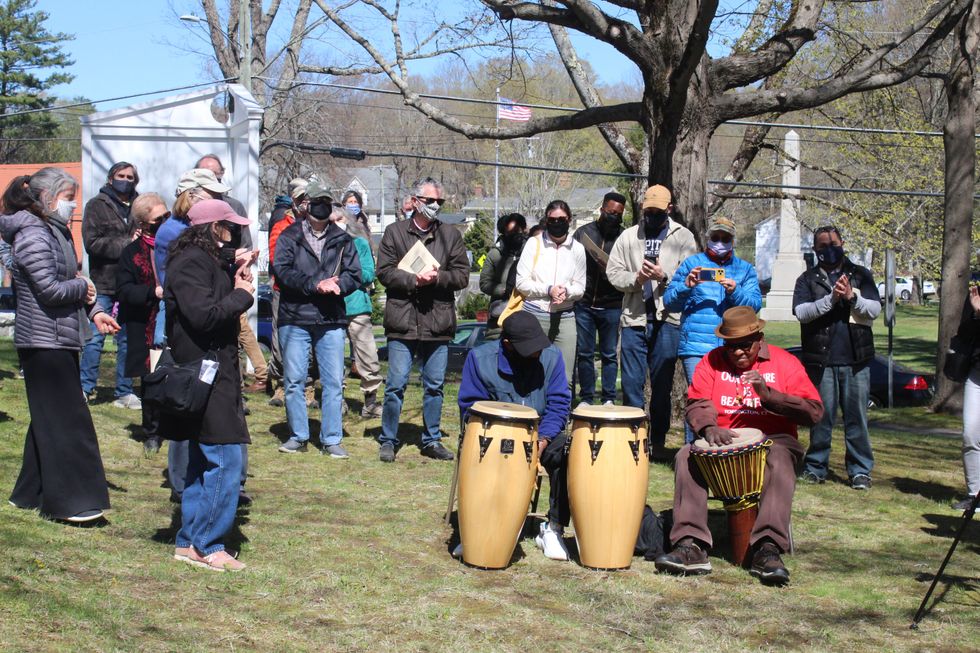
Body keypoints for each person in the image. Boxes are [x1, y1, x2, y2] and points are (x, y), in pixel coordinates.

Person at [654, 307, 823, 585]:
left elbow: (814, 412)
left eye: (744, 345)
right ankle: (690, 545)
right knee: (686, 454)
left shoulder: (784, 362)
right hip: (722, 440)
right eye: (730, 346)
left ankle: (768, 549)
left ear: (760, 338)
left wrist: (768, 395)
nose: (737, 352)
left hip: (774, 439)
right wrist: (708, 427)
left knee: (779, 457)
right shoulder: (711, 361)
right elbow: (697, 402)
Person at [1, 167, 120, 523]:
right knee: (68, 421)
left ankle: (28, 494)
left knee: (48, 419)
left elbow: (73, 280)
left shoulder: (54, 231)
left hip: (61, 337)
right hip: (42, 341)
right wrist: (83, 289)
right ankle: (72, 502)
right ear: (47, 198)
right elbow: (51, 289)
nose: (73, 205)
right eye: (69, 198)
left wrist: (94, 309)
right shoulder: (33, 234)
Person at [162, 199, 254, 572]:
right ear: (213, 227)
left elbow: (213, 300)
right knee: (224, 459)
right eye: (229, 226)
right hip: (204, 373)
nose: (234, 232)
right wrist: (241, 296)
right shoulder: (189, 262)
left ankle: (188, 541)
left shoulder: (207, 261)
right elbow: (203, 316)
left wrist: (237, 270)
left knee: (203, 460)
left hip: (217, 372)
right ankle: (207, 544)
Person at [457, 311, 573, 560]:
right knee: (481, 449)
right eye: (530, 348)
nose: (538, 352)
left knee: (568, 452)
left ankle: (553, 528)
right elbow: (470, 407)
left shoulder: (552, 358)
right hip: (494, 433)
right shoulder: (479, 359)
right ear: (508, 345)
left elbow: (559, 404)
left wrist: (542, 439)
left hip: (542, 434)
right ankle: (474, 530)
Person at [375, 176, 470, 462]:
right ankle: (388, 439)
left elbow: (462, 275)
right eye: (430, 201)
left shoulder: (450, 235)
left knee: (435, 386)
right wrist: (414, 280)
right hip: (403, 321)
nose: (435, 206)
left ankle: (431, 439)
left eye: (439, 202)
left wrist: (437, 278)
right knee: (395, 385)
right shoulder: (394, 233)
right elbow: (384, 272)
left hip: (437, 321)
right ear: (416, 201)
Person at [606, 185, 697, 458]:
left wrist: (663, 275)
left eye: (658, 212)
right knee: (632, 385)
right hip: (633, 318)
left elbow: (691, 275)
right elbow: (614, 273)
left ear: (669, 209)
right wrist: (637, 279)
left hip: (667, 320)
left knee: (662, 386)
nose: (652, 216)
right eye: (648, 211)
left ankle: (657, 441)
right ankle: (633, 439)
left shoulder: (683, 237)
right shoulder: (629, 236)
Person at [274, 185, 361, 457]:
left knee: (334, 381)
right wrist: (315, 285)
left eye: (326, 201)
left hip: (330, 319)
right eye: (316, 201)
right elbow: (282, 272)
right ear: (305, 205)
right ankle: (298, 436)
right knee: (295, 380)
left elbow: (354, 274)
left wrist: (339, 285)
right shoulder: (289, 236)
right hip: (295, 317)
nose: (321, 206)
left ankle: (332, 438)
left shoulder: (342, 239)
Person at [792, 226, 880, 490]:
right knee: (822, 418)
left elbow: (875, 309)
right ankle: (816, 466)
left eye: (833, 243)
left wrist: (852, 297)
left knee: (857, 419)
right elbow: (801, 311)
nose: (828, 249)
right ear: (815, 249)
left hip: (856, 360)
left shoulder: (860, 275)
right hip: (821, 360)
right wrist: (831, 299)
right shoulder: (807, 279)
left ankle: (860, 470)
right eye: (822, 246)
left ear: (842, 243)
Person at [664, 216, 762, 442]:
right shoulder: (692, 264)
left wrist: (734, 291)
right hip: (697, 346)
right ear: (708, 239)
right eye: (715, 237)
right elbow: (670, 301)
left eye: (725, 238)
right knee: (698, 398)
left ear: (732, 240)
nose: (719, 242)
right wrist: (686, 287)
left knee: (726, 397)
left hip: (733, 346)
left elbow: (754, 305)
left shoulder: (745, 270)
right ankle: (693, 448)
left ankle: (723, 446)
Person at [194, 154, 266, 394]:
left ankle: (249, 380)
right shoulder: (189, 212)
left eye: (216, 173)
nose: (212, 178)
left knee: (239, 332)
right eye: (206, 173)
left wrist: (242, 266)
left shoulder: (234, 205)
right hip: (206, 287)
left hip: (231, 282)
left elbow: (243, 245)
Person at [80, 161, 141, 409]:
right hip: (103, 281)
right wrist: (127, 243)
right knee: (95, 338)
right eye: (121, 175)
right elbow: (92, 243)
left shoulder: (140, 206)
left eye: (130, 177)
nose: (125, 180)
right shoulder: (96, 205)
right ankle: (84, 387)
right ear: (110, 178)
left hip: (130, 282)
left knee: (127, 339)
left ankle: (124, 391)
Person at [116, 193, 170, 454]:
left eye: (166, 216)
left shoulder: (177, 245)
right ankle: (152, 431)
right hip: (145, 324)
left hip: (176, 319)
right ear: (143, 223)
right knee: (152, 380)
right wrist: (153, 292)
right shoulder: (132, 253)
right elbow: (124, 291)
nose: (164, 222)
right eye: (158, 219)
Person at [514, 199, 586, 388]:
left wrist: (566, 291)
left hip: (565, 316)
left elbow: (580, 287)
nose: (557, 223)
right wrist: (548, 290)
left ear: (569, 219)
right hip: (535, 313)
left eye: (561, 219)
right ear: (546, 220)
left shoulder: (577, 249)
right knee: (531, 373)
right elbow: (521, 282)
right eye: (552, 220)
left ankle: (559, 417)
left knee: (565, 377)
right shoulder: (534, 244)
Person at [572, 192, 626, 407]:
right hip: (584, 303)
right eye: (611, 212)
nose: (614, 216)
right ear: (602, 209)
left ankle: (609, 398)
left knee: (609, 354)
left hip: (612, 304)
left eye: (618, 214)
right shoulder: (583, 233)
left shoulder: (624, 237)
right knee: (584, 353)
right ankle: (586, 397)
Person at [332, 203, 385, 418]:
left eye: (338, 220)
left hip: (356, 306)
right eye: (331, 221)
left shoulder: (360, 244)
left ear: (346, 221)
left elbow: (368, 274)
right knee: (333, 357)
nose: (335, 225)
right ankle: (337, 402)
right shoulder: (325, 245)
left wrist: (344, 276)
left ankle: (371, 403)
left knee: (367, 355)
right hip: (332, 307)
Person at [954, 283, 980, 511]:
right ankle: (974, 495)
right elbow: (963, 334)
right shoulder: (976, 294)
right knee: (970, 435)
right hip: (976, 375)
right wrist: (976, 313)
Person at [480, 213, 527, 339]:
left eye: (517, 230)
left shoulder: (530, 251)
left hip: (526, 314)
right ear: (504, 233)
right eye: (510, 232)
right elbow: (484, 283)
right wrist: (505, 289)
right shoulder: (495, 254)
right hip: (500, 315)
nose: (515, 235)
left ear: (524, 229)